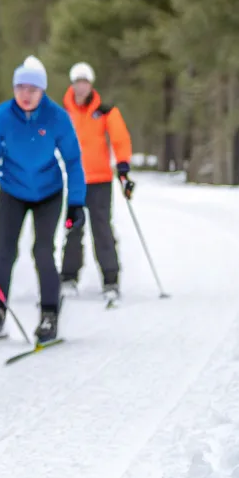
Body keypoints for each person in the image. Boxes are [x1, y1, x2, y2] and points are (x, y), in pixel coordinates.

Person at [0, 56, 86, 346]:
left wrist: (77, 202)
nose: (26, 95)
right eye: (21, 88)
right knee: (4, 252)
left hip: (48, 192)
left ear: (42, 91)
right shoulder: (1, 116)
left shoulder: (57, 117)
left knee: (42, 252)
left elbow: (74, 161)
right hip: (12, 190)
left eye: (32, 89)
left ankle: (49, 313)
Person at [59, 61, 134, 301]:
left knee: (102, 229)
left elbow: (120, 137)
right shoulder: (62, 112)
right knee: (73, 227)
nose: (81, 88)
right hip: (75, 181)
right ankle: (69, 277)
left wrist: (122, 165)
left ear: (90, 85)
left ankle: (110, 279)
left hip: (100, 179)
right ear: (72, 85)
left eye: (85, 83)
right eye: (77, 83)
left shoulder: (104, 110)